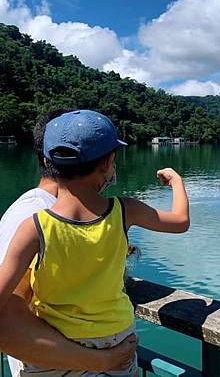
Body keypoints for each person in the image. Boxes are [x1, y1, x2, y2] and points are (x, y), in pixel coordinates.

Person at [0, 110, 190, 376]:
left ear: (46, 161)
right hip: (116, 343)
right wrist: (177, 181)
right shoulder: (126, 211)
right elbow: (180, 221)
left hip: (58, 353)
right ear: (108, 162)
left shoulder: (33, 227)